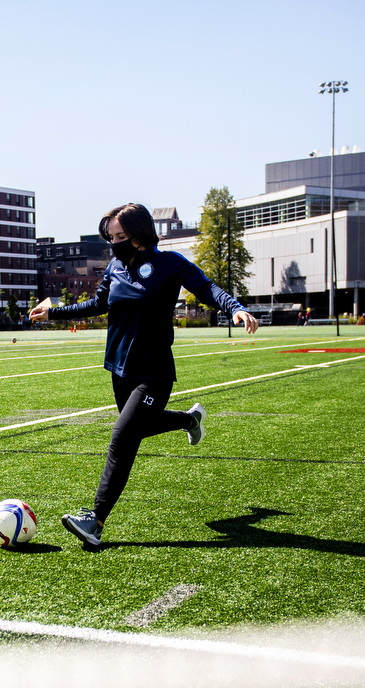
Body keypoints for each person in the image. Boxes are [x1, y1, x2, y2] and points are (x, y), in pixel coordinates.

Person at [29, 203, 259, 549]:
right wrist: (54, 312)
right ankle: (188, 420)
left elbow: (206, 288)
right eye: (111, 236)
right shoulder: (115, 266)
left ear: (139, 234)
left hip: (154, 372)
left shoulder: (170, 264)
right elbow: (98, 304)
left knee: (123, 436)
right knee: (140, 427)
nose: (114, 242)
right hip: (119, 369)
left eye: (120, 236)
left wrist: (235, 308)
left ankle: (95, 520)